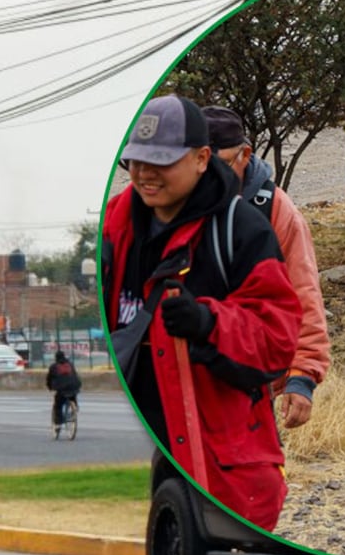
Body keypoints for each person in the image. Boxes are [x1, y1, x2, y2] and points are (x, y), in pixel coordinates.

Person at [100, 95, 301, 530]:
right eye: (136, 162)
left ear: (201, 158)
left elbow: (279, 337)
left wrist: (210, 324)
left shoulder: (241, 229)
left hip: (219, 444)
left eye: (161, 162)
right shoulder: (115, 223)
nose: (144, 175)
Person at [202, 105, 332, 429]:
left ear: (245, 154)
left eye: (219, 165)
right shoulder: (172, 207)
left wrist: (302, 374)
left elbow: (303, 293)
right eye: (197, 165)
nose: (207, 178)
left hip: (255, 378)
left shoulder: (276, 210)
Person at [44, 350, 80, 433]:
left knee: (57, 405)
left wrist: (50, 387)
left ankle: (58, 424)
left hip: (62, 390)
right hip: (74, 387)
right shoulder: (70, 364)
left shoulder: (53, 366)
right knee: (72, 395)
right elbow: (75, 376)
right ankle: (75, 407)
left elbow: (49, 379)